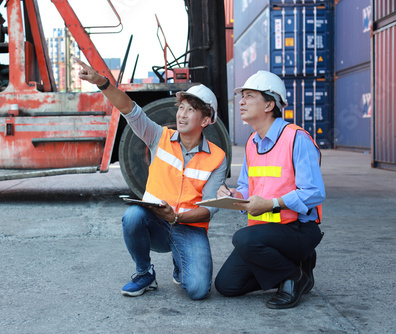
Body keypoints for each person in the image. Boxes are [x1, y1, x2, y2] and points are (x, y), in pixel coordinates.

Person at [76, 58, 227, 300]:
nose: (182, 115)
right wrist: (101, 82)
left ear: (206, 120)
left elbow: (209, 208)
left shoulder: (218, 158)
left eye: (191, 110)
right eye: (181, 108)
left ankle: (181, 263)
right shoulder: (160, 137)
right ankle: (144, 273)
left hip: (189, 226)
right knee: (133, 215)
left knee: (198, 290)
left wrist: (178, 217)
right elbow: (128, 108)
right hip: (156, 223)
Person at [214, 70, 325, 309]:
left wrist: (272, 204)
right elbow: (247, 186)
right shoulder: (252, 144)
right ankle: (292, 267)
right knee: (227, 285)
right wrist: (234, 196)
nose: (241, 101)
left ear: (269, 104)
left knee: (242, 238)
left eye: (250, 96)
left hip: (298, 230)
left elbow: (314, 192)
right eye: (242, 96)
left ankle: (295, 278)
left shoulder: (297, 139)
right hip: (265, 232)